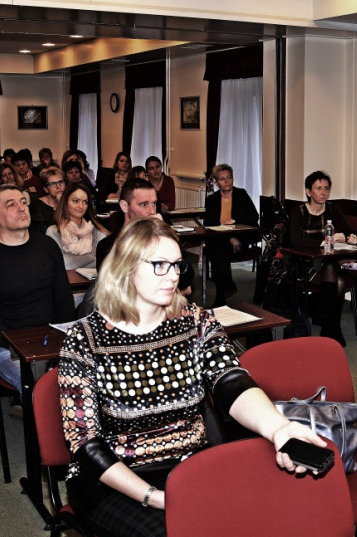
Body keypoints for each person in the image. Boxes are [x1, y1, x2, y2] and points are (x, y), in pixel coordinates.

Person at [58, 217, 324, 537]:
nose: (173, 275)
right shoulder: (85, 338)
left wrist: (279, 427)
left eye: (176, 265)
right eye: (159, 265)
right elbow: (85, 442)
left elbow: (230, 380)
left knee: (262, 516)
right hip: (113, 478)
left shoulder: (195, 321)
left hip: (190, 464)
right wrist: (154, 497)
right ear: (126, 267)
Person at [0, 184, 75, 393]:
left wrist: (61, 341)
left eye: (23, 202)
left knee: (85, 376)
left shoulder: (47, 246)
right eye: (11, 205)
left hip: (49, 338)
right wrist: (25, 347)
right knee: (43, 389)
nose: (21, 208)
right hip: (6, 345)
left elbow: (64, 300)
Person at [289, 170, 357, 345]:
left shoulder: (332, 209)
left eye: (326, 188)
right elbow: (295, 240)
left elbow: (350, 230)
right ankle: (332, 328)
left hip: (327, 264)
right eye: (318, 188)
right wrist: (323, 242)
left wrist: (351, 237)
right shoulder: (298, 212)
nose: (323, 192)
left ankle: (330, 327)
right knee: (337, 281)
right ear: (308, 192)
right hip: (304, 265)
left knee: (335, 274)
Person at [95, 178, 194, 298]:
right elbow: (116, 290)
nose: (152, 211)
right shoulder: (108, 246)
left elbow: (186, 278)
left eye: (154, 204)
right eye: (144, 204)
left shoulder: (163, 240)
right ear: (124, 206)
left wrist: (162, 235)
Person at [204, 164, 259, 307]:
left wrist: (235, 223)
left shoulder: (241, 195)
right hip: (221, 240)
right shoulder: (212, 200)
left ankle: (221, 295)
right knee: (217, 248)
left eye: (229, 177)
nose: (227, 181)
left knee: (217, 253)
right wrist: (230, 238)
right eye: (222, 179)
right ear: (217, 183)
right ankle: (226, 286)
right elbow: (209, 225)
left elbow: (254, 217)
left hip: (241, 239)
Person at [46, 182, 109, 269]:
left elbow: (107, 260)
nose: (81, 206)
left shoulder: (94, 230)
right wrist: (91, 258)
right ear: (65, 202)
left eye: (85, 202)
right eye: (75, 201)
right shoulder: (54, 231)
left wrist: (76, 262)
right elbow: (61, 264)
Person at [29, 167, 66, 233]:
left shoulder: (70, 202)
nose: (58, 186)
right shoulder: (37, 206)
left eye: (60, 182)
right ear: (46, 189)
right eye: (53, 184)